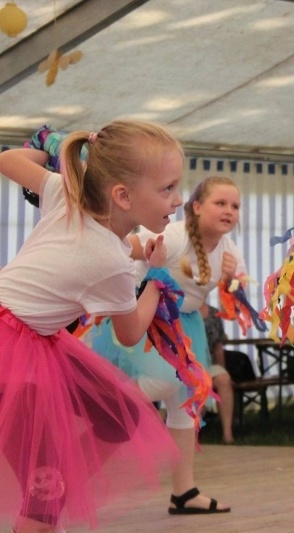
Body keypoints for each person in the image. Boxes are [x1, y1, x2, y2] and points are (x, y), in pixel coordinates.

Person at [0, 120, 183, 533]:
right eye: (167, 189)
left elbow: (8, 160)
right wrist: (157, 279)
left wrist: (53, 148)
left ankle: (53, 486)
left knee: (116, 415)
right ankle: (45, 502)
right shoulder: (112, 264)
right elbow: (130, 332)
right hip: (14, 351)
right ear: (122, 195)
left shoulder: (66, 196)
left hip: (22, 334)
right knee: (42, 505)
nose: (177, 199)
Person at [88, 176, 246, 515]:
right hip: (146, 316)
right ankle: (105, 411)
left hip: (185, 326)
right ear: (197, 206)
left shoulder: (229, 249)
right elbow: (128, 245)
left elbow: (233, 306)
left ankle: (184, 492)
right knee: (166, 382)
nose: (229, 211)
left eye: (235, 206)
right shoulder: (175, 235)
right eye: (220, 203)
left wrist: (231, 280)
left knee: (185, 403)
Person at [200, 301, 235, 444]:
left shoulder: (214, 313)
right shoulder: (182, 311)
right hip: (190, 365)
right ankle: (191, 431)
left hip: (210, 363)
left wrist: (223, 369)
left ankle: (227, 432)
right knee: (200, 383)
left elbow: (218, 347)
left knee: (224, 379)